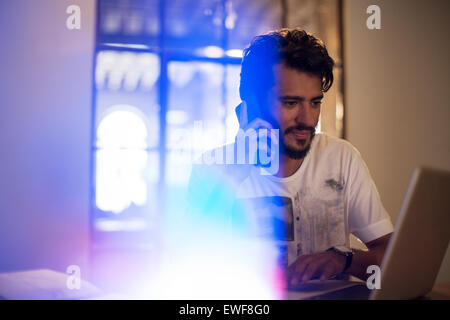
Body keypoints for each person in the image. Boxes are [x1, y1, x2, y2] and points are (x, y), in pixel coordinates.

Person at [186, 28, 393, 287]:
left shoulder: (342, 159)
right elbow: (187, 265)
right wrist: (233, 176)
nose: (308, 120)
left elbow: (392, 257)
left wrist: (344, 260)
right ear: (252, 103)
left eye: (315, 102)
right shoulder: (211, 169)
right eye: (290, 103)